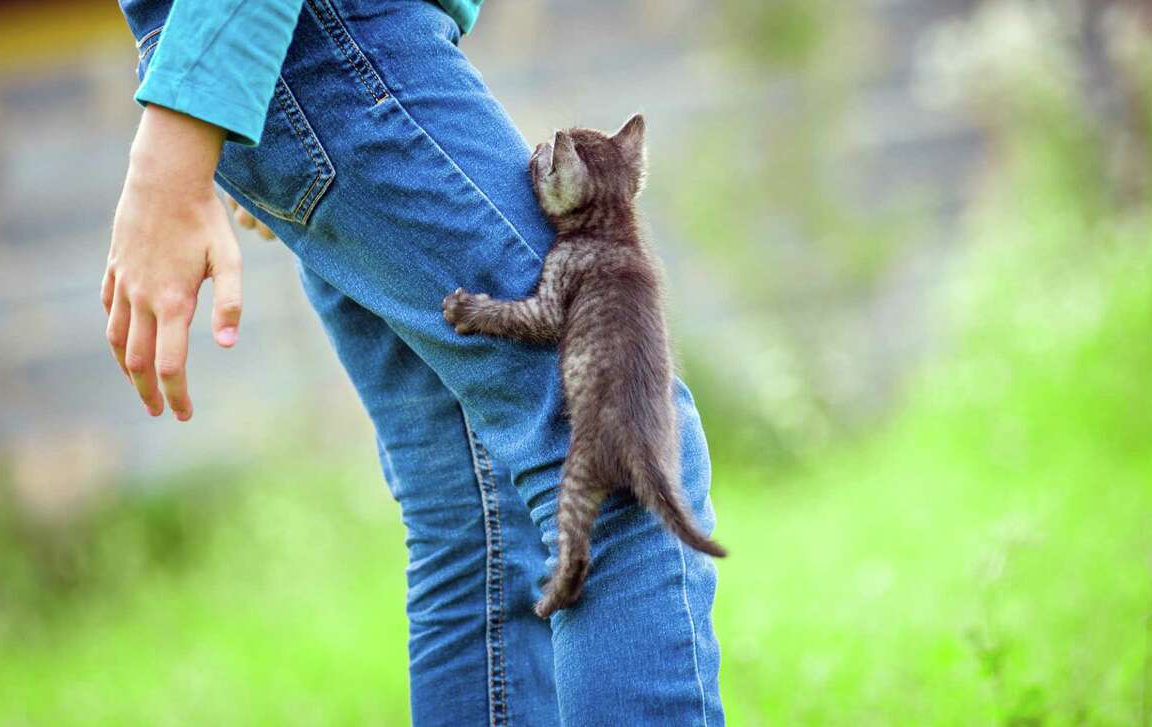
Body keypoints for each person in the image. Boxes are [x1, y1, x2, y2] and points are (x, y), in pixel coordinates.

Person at [104, 1, 723, 724]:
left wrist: (262, 117)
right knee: (624, 463)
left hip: (289, 62)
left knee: (471, 517)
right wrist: (175, 150)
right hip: (331, 44)